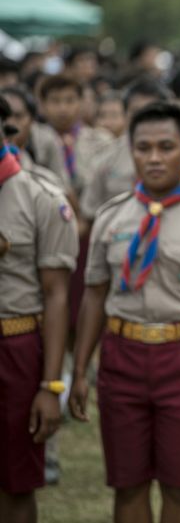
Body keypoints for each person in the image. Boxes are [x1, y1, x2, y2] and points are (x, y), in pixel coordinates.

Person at [69, 101, 180, 523]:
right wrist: (78, 371)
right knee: (126, 484)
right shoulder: (112, 218)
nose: (153, 158)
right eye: (142, 147)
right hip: (122, 357)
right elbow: (94, 296)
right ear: (131, 151)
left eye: (165, 147)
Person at [0, 95, 78, 523]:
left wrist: (51, 387)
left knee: (16, 481)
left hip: (15, 347)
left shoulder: (40, 197)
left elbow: (57, 295)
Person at [79, 78, 174, 221]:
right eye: (136, 111)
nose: (144, 118)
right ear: (125, 114)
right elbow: (89, 211)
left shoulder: (179, 157)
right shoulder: (106, 158)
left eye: (152, 111)